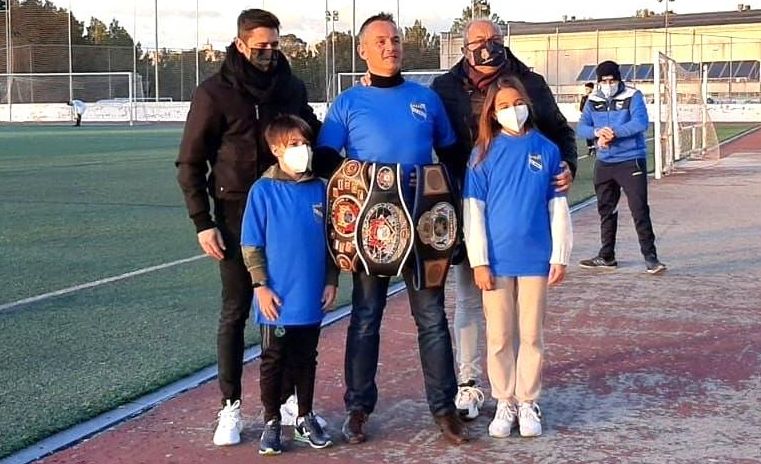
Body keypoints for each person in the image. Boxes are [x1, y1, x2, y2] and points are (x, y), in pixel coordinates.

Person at [313, 13, 469, 445]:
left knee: (432, 319)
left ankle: (444, 409)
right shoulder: (348, 103)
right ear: (362, 50)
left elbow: (452, 157)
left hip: (423, 228)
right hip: (373, 230)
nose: (390, 46)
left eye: (395, 40)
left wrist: (453, 223)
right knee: (365, 318)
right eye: (380, 40)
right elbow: (326, 162)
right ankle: (358, 408)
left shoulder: (426, 99)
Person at [175, 8, 321, 447]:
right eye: (261, 46)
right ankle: (230, 406)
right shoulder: (214, 93)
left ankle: (294, 402)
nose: (270, 53)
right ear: (241, 44)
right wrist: (204, 222)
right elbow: (190, 162)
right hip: (238, 218)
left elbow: (314, 133)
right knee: (237, 310)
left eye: (276, 45)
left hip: (292, 216)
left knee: (296, 316)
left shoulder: (290, 87)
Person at [429, 18, 577, 420]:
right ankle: (470, 383)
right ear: (463, 46)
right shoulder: (444, 88)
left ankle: (521, 397)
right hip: (467, 207)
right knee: (470, 299)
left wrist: (568, 167)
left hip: (520, 217)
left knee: (524, 320)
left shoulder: (529, 82)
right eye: (478, 41)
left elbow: (560, 134)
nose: (487, 46)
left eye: (493, 39)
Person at [463, 75, 572, 438]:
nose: (513, 111)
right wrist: (478, 261)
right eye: (504, 106)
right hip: (496, 262)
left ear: (528, 104)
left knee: (531, 334)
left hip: (535, 260)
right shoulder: (482, 154)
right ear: (493, 113)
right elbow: (473, 212)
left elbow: (558, 207)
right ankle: (504, 400)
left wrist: (560, 255)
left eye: (518, 103)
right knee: (499, 336)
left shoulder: (547, 150)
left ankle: (527, 400)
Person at [241, 114, 337, 455]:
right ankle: (271, 420)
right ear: (275, 150)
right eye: (294, 144)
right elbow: (251, 244)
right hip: (276, 298)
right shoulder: (263, 190)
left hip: (310, 294)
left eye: (305, 143)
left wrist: (330, 280)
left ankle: (305, 415)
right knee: (273, 358)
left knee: (306, 358)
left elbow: (330, 241)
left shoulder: (321, 189)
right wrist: (261, 286)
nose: (303, 150)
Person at [577, 60, 667, 274]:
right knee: (606, 210)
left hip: (630, 160)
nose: (608, 84)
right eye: (604, 80)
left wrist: (614, 132)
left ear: (619, 79)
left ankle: (651, 258)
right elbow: (582, 127)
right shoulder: (593, 99)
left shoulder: (633, 96)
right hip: (605, 162)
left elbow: (640, 123)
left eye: (612, 80)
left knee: (639, 209)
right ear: (598, 82)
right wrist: (598, 132)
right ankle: (607, 255)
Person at [580, 82, 596, 157]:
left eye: (587, 88)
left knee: (595, 133)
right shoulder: (584, 97)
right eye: (585, 89)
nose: (586, 90)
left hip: (594, 118)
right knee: (587, 133)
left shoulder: (595, 97)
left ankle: (595, 148)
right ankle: (590, 149)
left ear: (591, 89)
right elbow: (581, 108)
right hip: (587, 118)